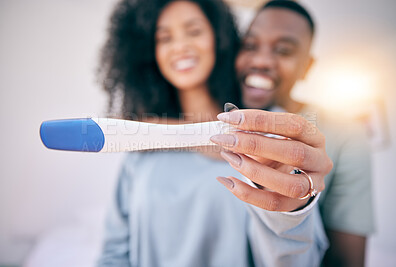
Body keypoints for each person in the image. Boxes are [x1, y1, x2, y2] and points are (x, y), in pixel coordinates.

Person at [97, 0, 332, 266]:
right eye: (165, 38)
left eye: (194, 31)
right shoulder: (140, 148)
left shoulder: (267, 132)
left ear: (218, 38)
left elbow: (296, 258)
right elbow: (113, 253)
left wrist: (292, 209)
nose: (180, 46)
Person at [233, 1, 374, 266]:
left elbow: (347, 259)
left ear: (307, 67)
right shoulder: (213, 118)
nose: (261, 61)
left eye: (283, 50)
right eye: (250, 46)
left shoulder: (346, 135)